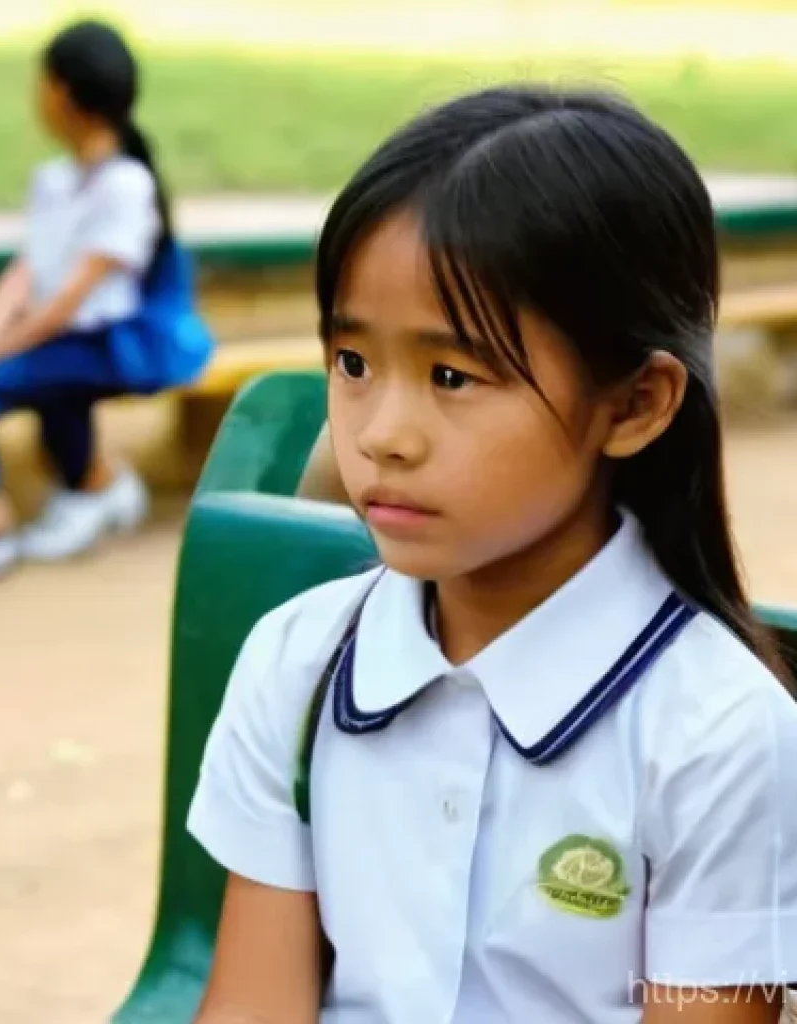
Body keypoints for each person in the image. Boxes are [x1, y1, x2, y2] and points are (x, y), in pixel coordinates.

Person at [186, 84, 797, 1023]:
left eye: (451, 376)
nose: (384, 434)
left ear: (634, 405)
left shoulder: (717, 734)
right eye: (353, 363)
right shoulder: (298, 665)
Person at [0, 19, 213, 586]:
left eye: (41, 83)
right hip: (63, 337)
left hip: (110, 344)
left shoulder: (126, 185)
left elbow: (68, 299)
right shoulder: (55, 180)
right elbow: (25, 274)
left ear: (61, 92)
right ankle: (88, 487)